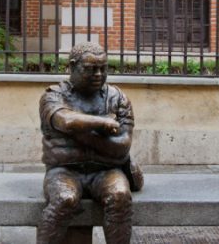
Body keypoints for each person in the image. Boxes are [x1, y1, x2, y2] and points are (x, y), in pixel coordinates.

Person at [37, 42, 141, 244]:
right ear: (73, 66)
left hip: (106, 171)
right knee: (65, 199)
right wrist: (103, 123)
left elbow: (122, 146)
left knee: (120, 195)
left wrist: (79, 133)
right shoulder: (53, 96)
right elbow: (65, 120)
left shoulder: (117, 98)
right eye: (91, 69)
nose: (99, 74)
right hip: (64, 171)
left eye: (103, 68)